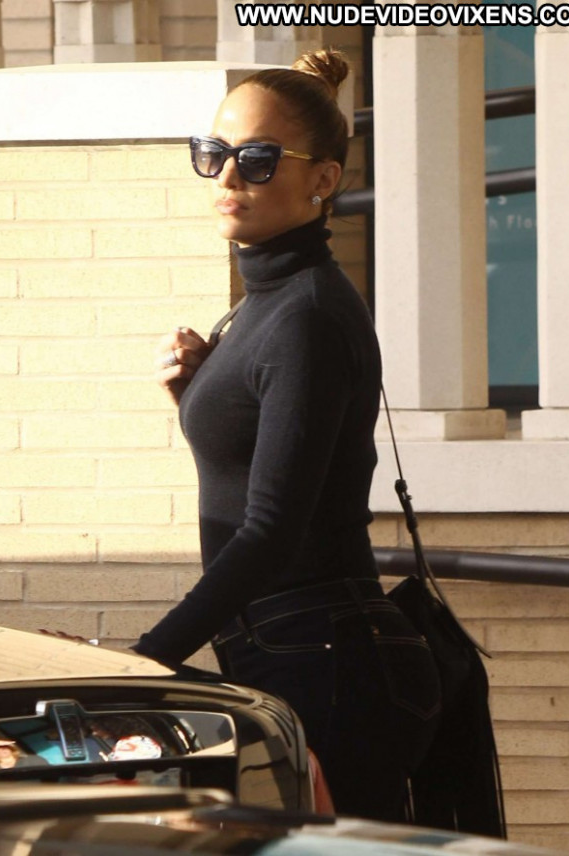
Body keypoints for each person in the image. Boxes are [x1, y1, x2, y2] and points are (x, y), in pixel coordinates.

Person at [133, 49, 441, 822]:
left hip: (325, 658)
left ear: (323, 179)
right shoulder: (262, 304)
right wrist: (197, 397)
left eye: (259, 159)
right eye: (214, 152)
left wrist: (147, 659)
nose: (228, 176)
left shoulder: (304, 314)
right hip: (294, 648)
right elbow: (260, 475)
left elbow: (272, 530)